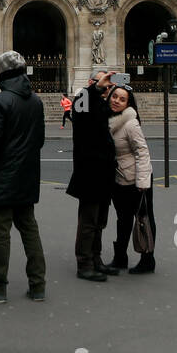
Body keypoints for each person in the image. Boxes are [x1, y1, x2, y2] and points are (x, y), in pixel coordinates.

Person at [0, 51, 47, 303]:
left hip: (1, 180)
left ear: (2, 74)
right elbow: (40, 140)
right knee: (29, 231)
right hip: (26, 177)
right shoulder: (35, 101)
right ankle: (38, 286)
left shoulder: (0, 102)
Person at [65, 70, 119, 281]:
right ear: (91, 84)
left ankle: (96, 259)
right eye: (103, 85)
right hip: (89, 173)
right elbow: (80, 110)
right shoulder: (82, 101)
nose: (107, 89)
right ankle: (84, 263)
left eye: (108, 86)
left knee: (100, 221)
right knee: (88, 221)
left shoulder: (100, 105)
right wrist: (94, 88)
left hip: (104, 173)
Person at [107, 85, 156, 274]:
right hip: (120, 178)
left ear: (128, 103)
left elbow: (142, 152)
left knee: (143, 218)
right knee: (123, 219)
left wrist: (143, 182)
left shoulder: (130, 123)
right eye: (115, 97)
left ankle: (147, 259)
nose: (116, 101)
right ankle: (120, 258)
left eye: (122, 99)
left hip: (136, 179)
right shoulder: (109, 120)